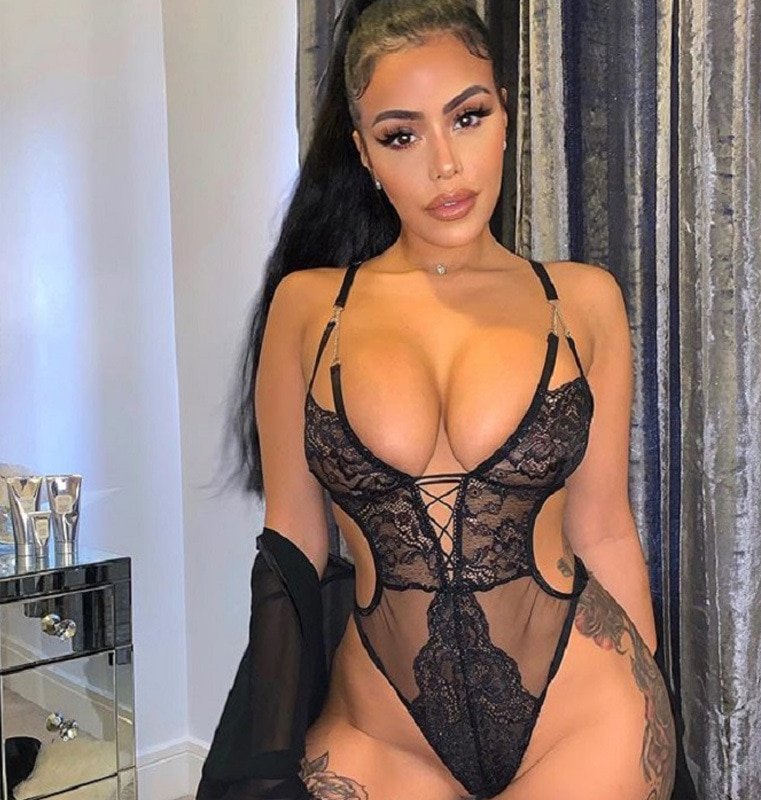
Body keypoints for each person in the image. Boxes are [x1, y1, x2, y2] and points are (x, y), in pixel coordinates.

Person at [197, 1, 686, 798]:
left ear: (505, 118)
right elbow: (293, 541)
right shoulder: (308, 308)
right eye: (402, 135)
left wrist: (656, 708)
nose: (446, 166)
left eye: (467, 117)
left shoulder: (583, 301)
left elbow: (603, 527)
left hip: (585, 713)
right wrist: (267, 750)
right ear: (363, 153)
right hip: (380, 729)